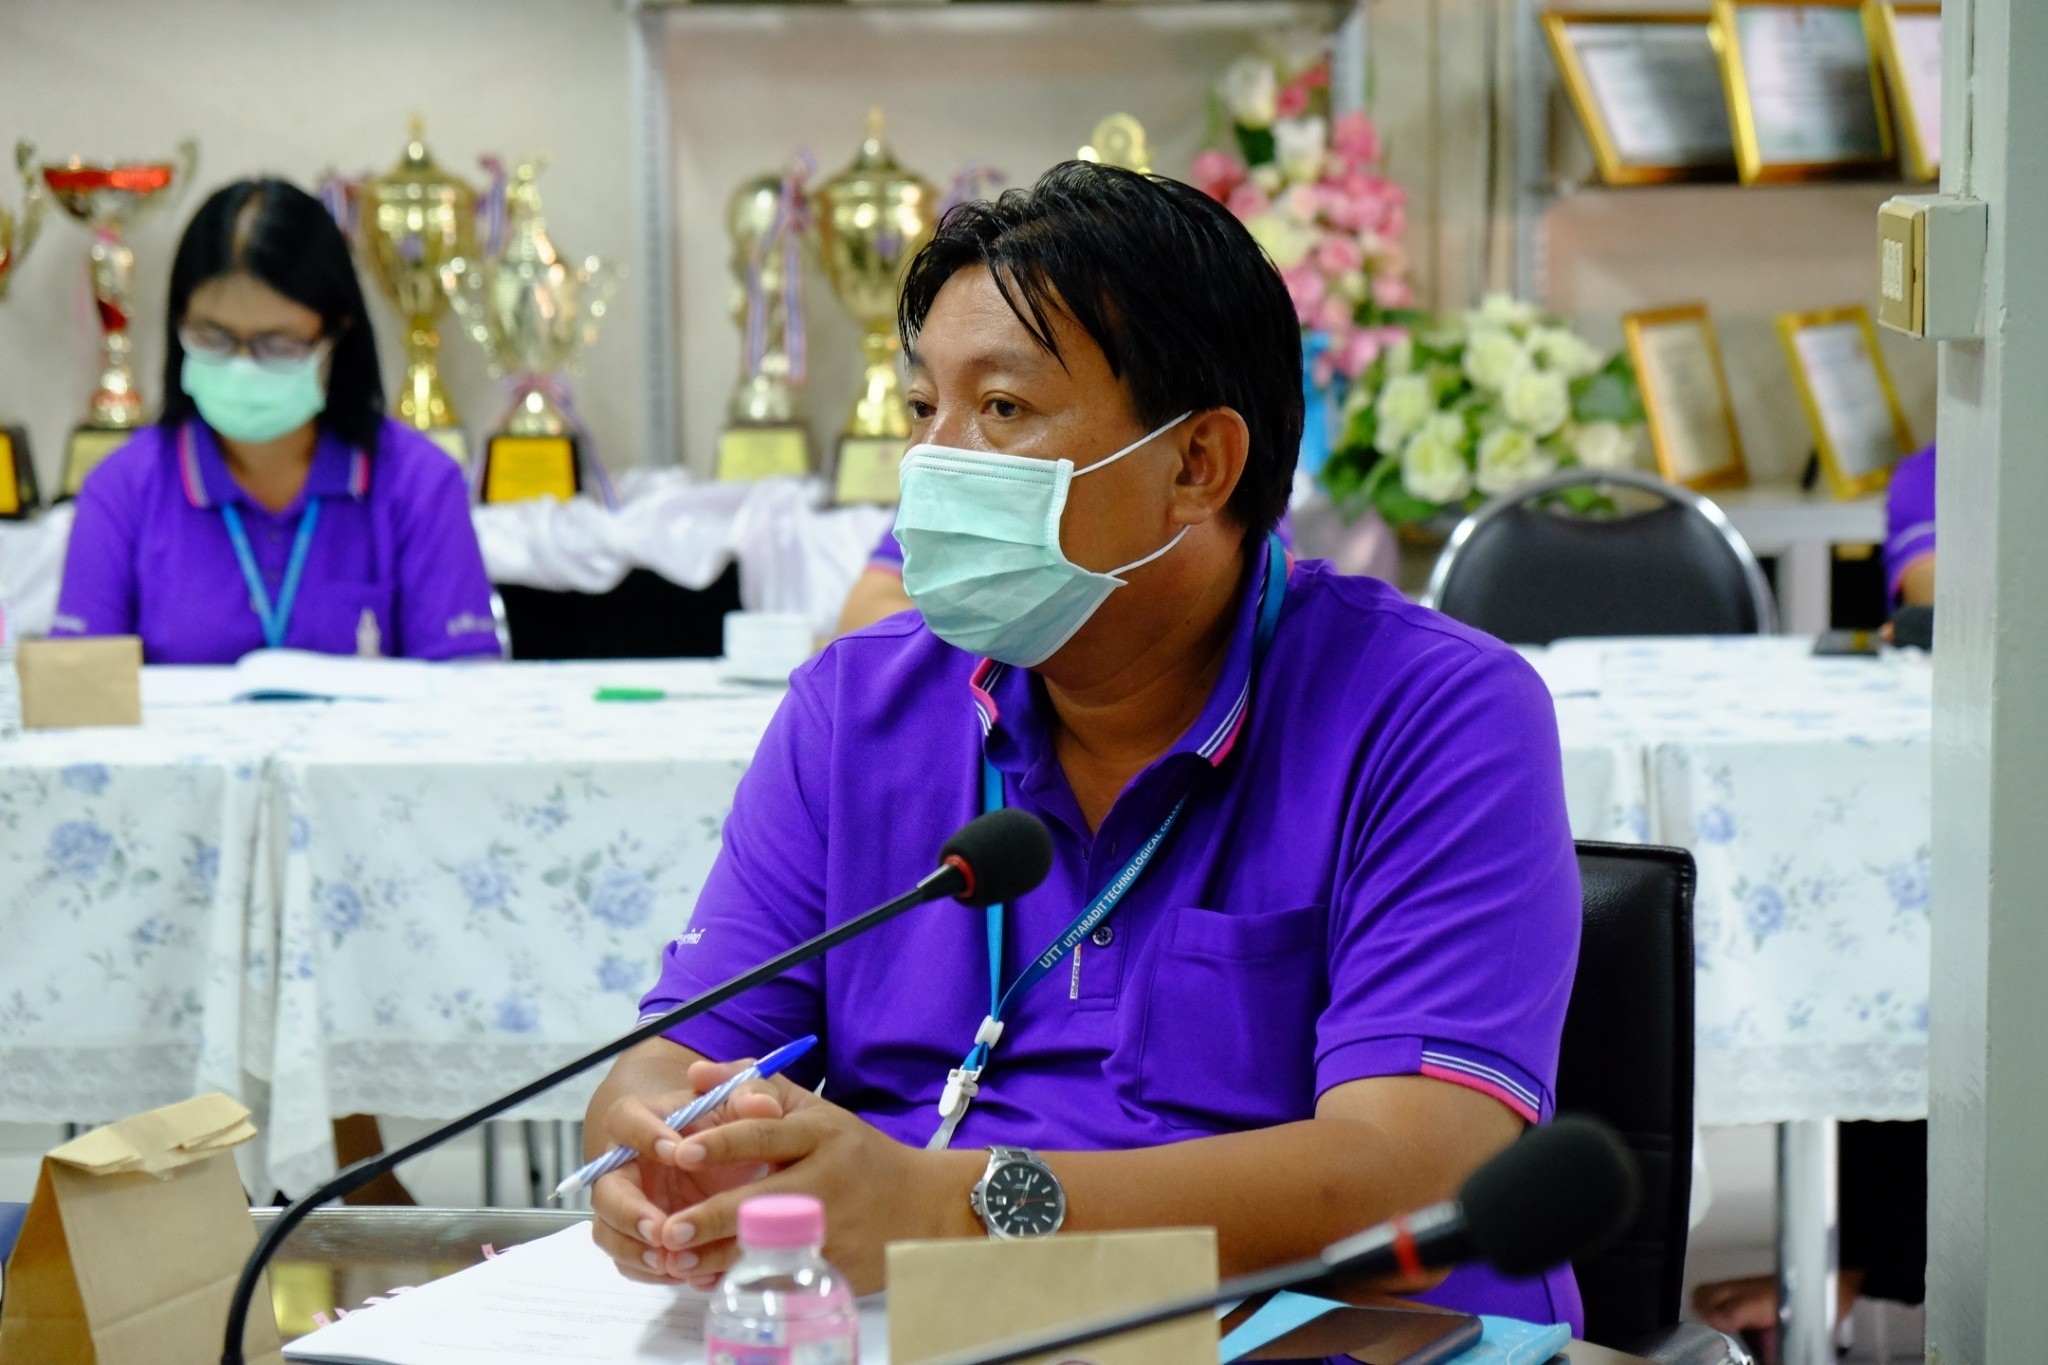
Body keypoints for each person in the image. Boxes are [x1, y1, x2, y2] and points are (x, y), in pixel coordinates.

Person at [584, 162, 1582, 1328]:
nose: (932, 467)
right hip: (918, 1335)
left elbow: (1411, 1174)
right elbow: (679, 1063)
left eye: (999, 411)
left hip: (1301, 1339)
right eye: (922, 412)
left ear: (1196, 465)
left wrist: (949, 1209)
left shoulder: (1435, 712)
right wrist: (649, 1144)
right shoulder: (855, 710)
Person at [1693, 445, 1935, 1350]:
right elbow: (1956, 602)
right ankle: (1864, 1256)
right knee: (1886, 899)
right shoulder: (1949, 462)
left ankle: (1866, 1259)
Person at [52, 177, 500, 665]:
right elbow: (81, 700)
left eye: (278, 344)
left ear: (335, 337)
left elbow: (466, 694)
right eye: (214, 338)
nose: (243, 365)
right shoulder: (122, 492)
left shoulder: (420, 486)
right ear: (179, 323)